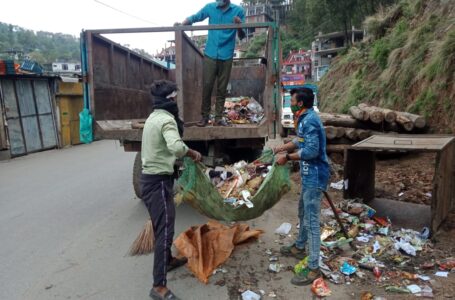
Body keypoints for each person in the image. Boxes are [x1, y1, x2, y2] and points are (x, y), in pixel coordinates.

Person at [141, 80, 202, 300]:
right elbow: (176, 147)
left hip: (151, 179)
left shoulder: (153, 117)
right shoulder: (166, 120)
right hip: (157, 182)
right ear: (171, 99)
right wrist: (192, 152)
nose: (176, 100)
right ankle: (158, 286)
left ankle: (167, 261)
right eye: (175, 97)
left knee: (164, 225)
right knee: (165, 231)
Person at [273, 88, 330, 286]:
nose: (290, 102)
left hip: (315, 175)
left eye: (292, 99)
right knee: (302, 212)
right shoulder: (304, 118)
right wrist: (284, 147)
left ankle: (314, 268)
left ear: (300, 103)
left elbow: (312, 150)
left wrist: (287, 157)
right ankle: (299, 247)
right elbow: (301, 140)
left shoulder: (310, 119)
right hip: (308, 174)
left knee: (312, 221)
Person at [177, 0, 245, 127]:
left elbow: (242, 35)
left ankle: (218, 118)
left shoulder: (238, 11)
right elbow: (195, 17)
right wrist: (181, 25)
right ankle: (204, 117)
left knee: (222, 88)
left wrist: (239, 26)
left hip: (227, 54)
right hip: (210, 53)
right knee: (207, 86)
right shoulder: (210, 7)